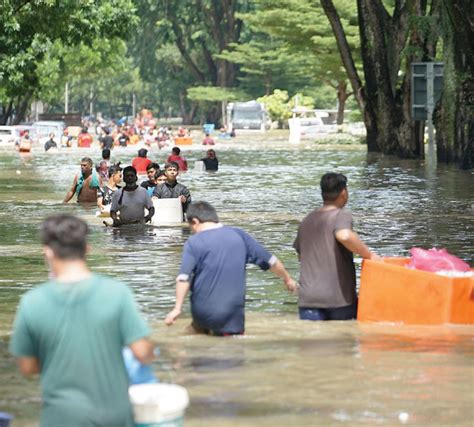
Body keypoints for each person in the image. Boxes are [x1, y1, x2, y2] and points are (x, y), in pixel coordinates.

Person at [9, 214, 154, 426]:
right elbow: (142, 353)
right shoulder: (117, 293)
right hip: (114, 416)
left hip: (61, 417)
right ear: (87, 248)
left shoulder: (32, 302)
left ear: (48, 252)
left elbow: (27, 367)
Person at [165, 201, 298, 335]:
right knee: (231, 349)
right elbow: (272, 262)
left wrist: (177, 308)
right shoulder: (239, 235)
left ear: (195, 221)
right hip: (231, 314)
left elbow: (183, 278)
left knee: (190, 340)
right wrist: (288, 279)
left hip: (202, 312)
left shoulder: (193, 242)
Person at [293, 172, 381, 321]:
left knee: (311, 343)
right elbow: (344, 236)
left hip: (308, 299)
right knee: (342, 342)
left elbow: (302, 257)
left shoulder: (306, 220)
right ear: (344, 193)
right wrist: (370, 255)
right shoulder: (341, 215)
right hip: (338, 299)